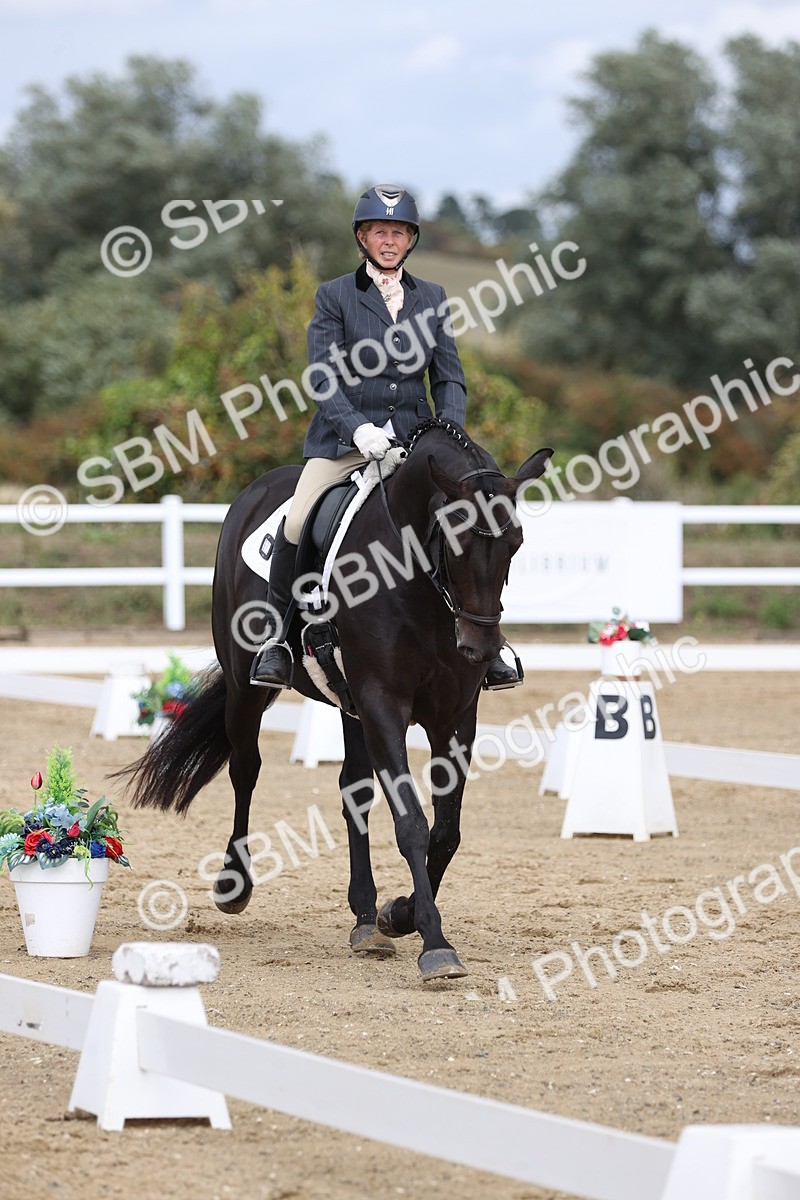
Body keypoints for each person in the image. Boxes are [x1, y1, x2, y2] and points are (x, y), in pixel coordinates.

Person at [250, 183, 520, 690]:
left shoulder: (432, 298)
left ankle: (491, 639)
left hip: (420, 448)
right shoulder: (334, 296)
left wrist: (448, 436)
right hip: (346, 446)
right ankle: (278, 642)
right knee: (296, 521)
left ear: (411, 239)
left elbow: (449, 377)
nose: (389, 240)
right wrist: (360, 430)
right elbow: (323, 378)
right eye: (380, 231)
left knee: (477, 521)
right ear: (362, 237)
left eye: (398, 232)